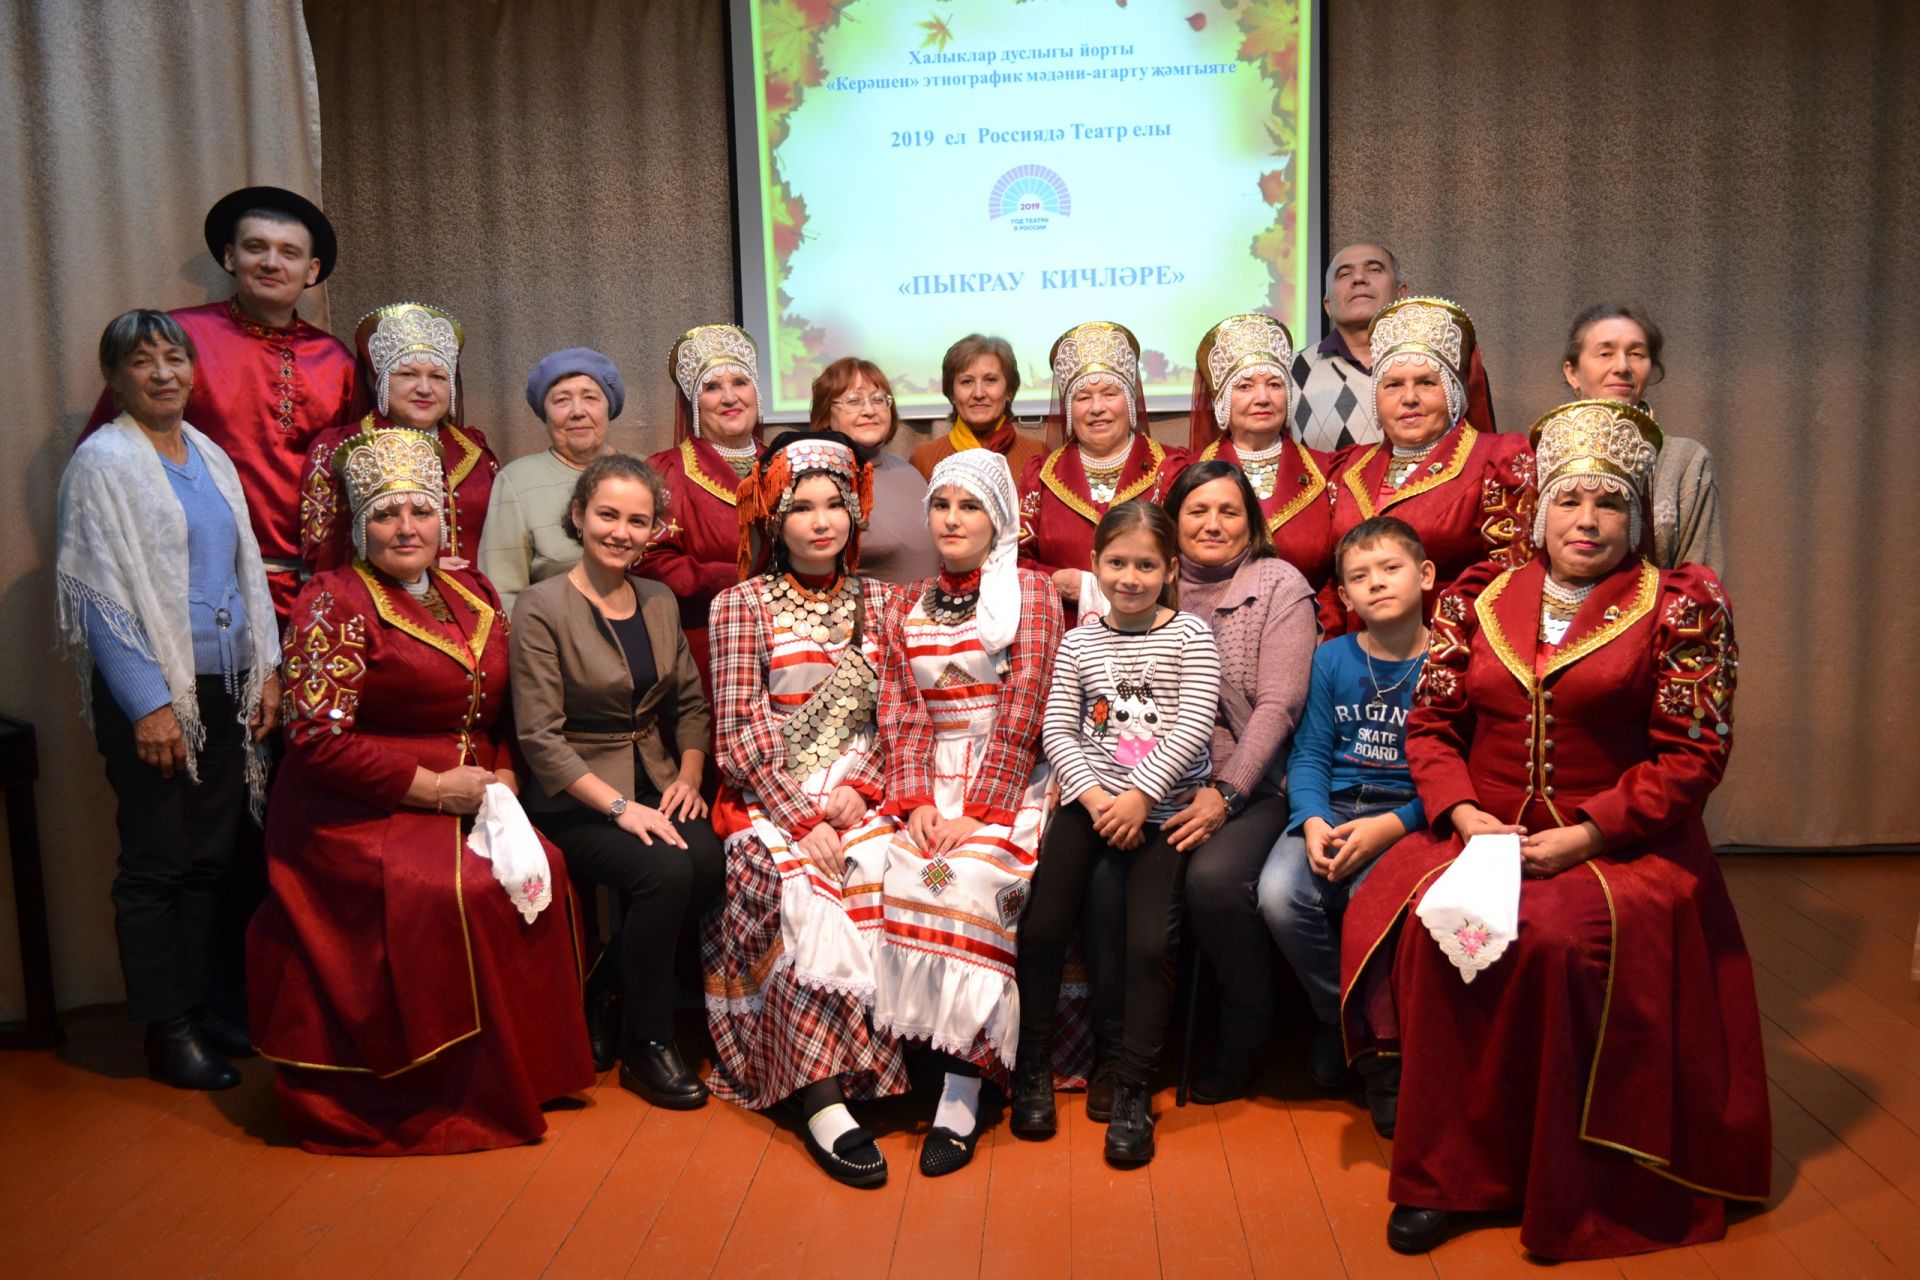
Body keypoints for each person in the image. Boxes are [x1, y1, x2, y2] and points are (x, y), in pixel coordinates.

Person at [1339, 400, 1766, 1258]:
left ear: (1636, 518)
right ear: (1541, 511)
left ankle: (1561, 1174)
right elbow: (1431, 729)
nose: (1586, 520)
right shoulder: (1479, 600)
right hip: (1480, 833)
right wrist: (1463, 816)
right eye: (1570, 501)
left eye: (1608, 504)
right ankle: (1445, 1174)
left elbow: (1692, 757)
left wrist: (1591, 834)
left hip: (1620, 849)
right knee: (1432, 930)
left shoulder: (1678, 607)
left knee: (1550, 940)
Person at [249, 425, 593, 1155]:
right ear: (358, 523)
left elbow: (497, 710)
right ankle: (442, 1091)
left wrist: (503, 773)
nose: (406, 528)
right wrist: (434, 789)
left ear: (445, 518)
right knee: (452, 891)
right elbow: (315, 741)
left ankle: (526, 1073)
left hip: (475, 787)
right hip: (355, 808)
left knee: (544, 868)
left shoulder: (472, 591)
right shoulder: (330, 602)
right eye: (385, 513)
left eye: (421, 511)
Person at [57, 310, 283, 1091]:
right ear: (115, 377)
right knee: (157, 862)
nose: (163, 374)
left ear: (193, 371)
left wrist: (268, 671)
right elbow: (99, 594)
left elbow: (243, 574)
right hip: (155, 692)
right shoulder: (103, 461)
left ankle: (214, 1007)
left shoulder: (211, 454)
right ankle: (168, 1029)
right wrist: (149, 704)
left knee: (215, 859)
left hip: (225, 685)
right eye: (142, 362)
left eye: (174, 359)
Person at [701, 432, 907, 1187]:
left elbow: (902, 714)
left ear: (855, 514)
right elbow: (738, 731)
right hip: (770, 796)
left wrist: (869, 787)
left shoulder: (886, 602)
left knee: (900, 876)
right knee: (788, 889)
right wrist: (803, 819)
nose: (822, 522)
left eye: (835, 506)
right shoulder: (741, 605)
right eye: (803, 508)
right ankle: (819, 1096)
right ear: (773, 518)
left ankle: (880, 1077)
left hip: (861, 790)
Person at [509, 452, 724, 1107]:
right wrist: (622, 809)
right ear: (578, 515)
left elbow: (690, 704)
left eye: (638, 520)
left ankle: (607, 984)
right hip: (574, 796)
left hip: (657, 777)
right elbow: (539, 738)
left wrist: (688, 775)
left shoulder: (658, 599)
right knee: (662, 873)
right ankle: (646, 1041)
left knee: (712, 863)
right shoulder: (541, 606)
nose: (621, 531)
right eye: (607, 515)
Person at [1012, 501, 1221, 1167]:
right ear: (1096, 567)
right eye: (1117, 563)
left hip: (1161, 811)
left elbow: (1191, 726)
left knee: (1147, 942)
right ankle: (1033, 1067)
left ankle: (1132, 1087)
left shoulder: (1190, 637)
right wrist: (1100, 798)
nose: (1130, 577)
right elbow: (1059, 730)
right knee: (1042, 927)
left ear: (1169, 571)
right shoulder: (1080, 641)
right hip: (1092, 802)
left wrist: (1140, 798)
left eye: (1146, 565)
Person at [873, 450, 1064, 1176]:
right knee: (890, 870)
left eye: (970, 507)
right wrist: (918, 800)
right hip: (932, 779)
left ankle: (963, 1089)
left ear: (1000, 519)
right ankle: (917, 1060)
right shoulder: (904, 602)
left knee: (972, 880)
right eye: (942, 506)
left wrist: (981, 811)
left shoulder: (1032, 593)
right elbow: (900, 713)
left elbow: (1025, 710)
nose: (953, 520)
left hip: (1010, 781)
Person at [82, 187, 364, 626]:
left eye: (288, 253)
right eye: (256, 247)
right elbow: (109, 451)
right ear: (230, 257)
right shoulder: (177, 340)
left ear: (311, 271)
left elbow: (356, 480)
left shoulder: (337, 361)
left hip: (306, 589)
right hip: (191, 584)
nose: (271, 262)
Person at [1256, 516, 1431, 1125]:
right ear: (1345, 595)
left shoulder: (1448, 661)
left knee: (1369, 903)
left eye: (1390, 568)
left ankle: (1382, 1054)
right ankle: (1348, 1025)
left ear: (1425, 574)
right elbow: (1310, 750)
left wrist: (1396, 825)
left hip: (1402, 819)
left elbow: (1455, 771)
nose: (1376, 584)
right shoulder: (1331, 659)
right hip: (1330, 807)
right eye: (1360, 577)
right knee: (1280, 895)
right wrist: (1309, 820)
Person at [1152, 460, 1316, 1106]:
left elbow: (1278, 707)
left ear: (1251, 521)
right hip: (1165, 776)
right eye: (1197, 511)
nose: (1212, 524)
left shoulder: (1279, 584)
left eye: (1228, 511)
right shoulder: (1151, 581)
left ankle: (1249, 1031)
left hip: (1258, 782)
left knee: (1215, 880)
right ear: (1173, 521)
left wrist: (1226, 795)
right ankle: (1132, 1046)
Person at [1323, 297, 1535, 633]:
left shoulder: (1495, 458)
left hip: (1456, 653)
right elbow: (1329, 576)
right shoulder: (1347, 466)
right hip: (1354, 658)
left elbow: (1514, 575)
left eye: (1426, 382)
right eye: (1393, 384)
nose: (1409, 397)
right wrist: (1332, 645)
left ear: (1452, 392)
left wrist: (1442, 646)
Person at [300, 302, 499, 573]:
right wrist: (416, 568)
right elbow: (320, 553)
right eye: (408, 374)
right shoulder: (337, 449)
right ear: (381, 381)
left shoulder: (475, 451)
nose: (425, 389)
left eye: (439, 377)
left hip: (473, 607)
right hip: (376, 604)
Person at [1019, 322, 1187, 618]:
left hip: (1155, 633)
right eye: (1083, 397)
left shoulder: (1171, 470)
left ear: (1130, 401)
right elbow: (1015, 561)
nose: (1097, 407)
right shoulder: (1041, 477)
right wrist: (1060, 582)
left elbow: (1192, 559)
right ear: (1069, 408)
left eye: (1110, 394)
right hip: (1064, 633)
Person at [637, 324, 767, 701]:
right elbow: (648, 563)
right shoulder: (667, 471)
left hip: (786, 646)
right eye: (712, 387)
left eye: (740, 382)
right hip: (704, 650)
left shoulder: (783, 465)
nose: (730, 397)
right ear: (695, 402)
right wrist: (738, 580)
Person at [1560, 303, 1724, 575]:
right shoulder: (1538, 456)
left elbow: (1701, 583)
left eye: (1636, 354)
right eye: (1605, 353)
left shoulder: (1686, 461)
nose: (1622, 366)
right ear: (1572, 373)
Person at [1187, 313, 1337, 608]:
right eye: (1245, 387)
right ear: (1222, 402)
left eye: (1274, 385)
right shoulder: (1185, 475)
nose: (1263, 398)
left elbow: (1339, 573)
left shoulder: (1328, 472)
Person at [1289, 243, 1497, 452]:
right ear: (1327, 305)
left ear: (1402, 293)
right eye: (1344, 274)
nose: (1359, 279)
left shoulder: (1447, 364)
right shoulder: (1289, 373)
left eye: (1374, 269)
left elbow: (1483, 451)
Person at [479, 347, 625, 614]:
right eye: (561, 401)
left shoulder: (644, 471)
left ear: (609, 406)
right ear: (544, 413)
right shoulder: (516, 481)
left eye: (591, 397)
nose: (577, 411)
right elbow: (502, 595)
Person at [811, 356, 937, 585]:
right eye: (853, 401)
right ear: (826, 415)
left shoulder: (907, 469)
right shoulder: (819, 482)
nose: (869, 410)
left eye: (878, 399)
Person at [910, 334, 1046, 481]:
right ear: (952, 393)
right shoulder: (924, 459)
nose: (979, 393)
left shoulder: (1038, 454)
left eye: (990, 380)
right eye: (967, 381)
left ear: (1009, 391)